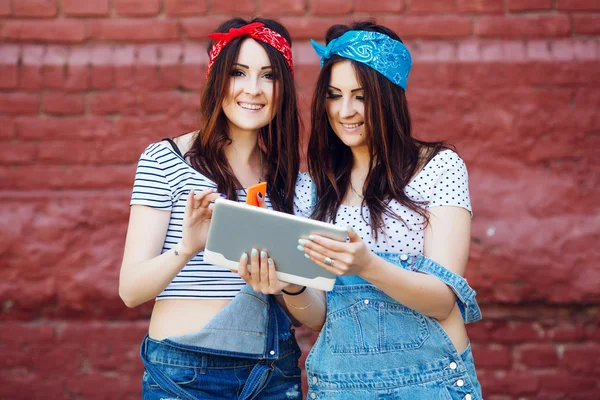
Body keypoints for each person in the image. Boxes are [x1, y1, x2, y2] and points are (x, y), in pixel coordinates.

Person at [237, 21, 483, 399]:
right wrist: (291, 284)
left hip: (430, 384)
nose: (345, 111)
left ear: (389, 97)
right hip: (341, 387)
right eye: (334, 96)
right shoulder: (313, 190)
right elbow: (320, 317)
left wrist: (366, 265)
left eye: (361, 96)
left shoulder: (439, 167)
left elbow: (442, 299)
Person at [119, 17, 303, 400]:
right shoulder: (164, 160)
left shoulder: (291, 180)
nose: (253, 89)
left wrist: (286, 284)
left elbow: (310, 310)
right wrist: (186, 247)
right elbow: (131, 290)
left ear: (282, 89)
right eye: (238, 72)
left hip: (273, 372)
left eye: (269, 75)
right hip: (184, 374)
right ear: (216, 80)